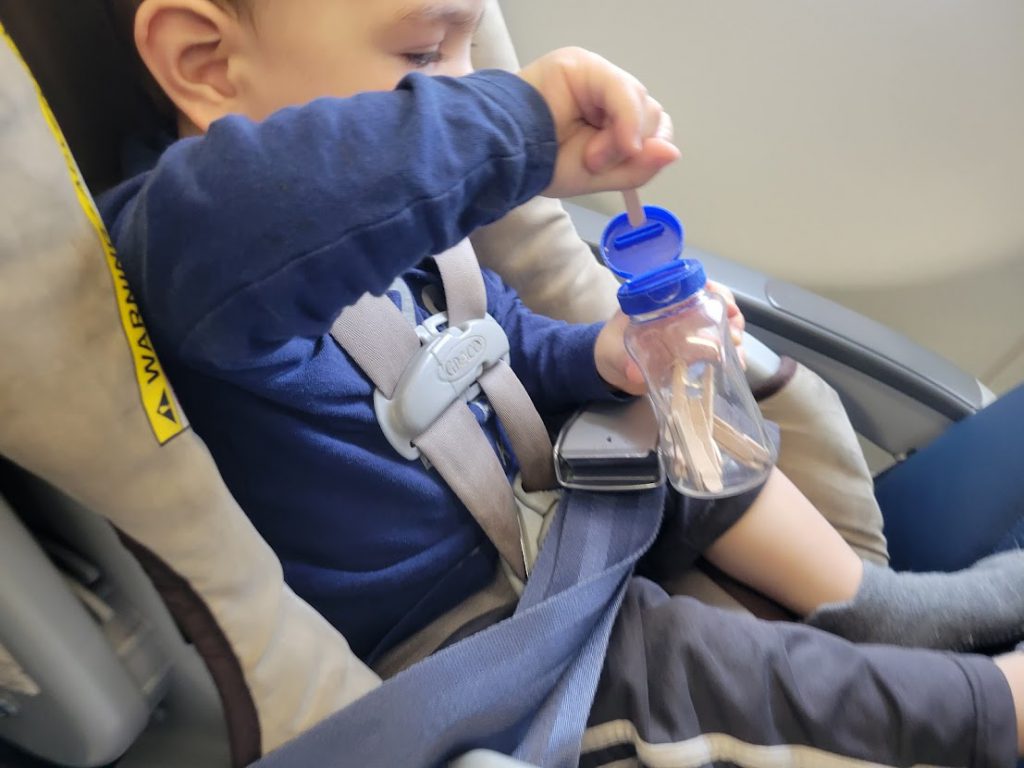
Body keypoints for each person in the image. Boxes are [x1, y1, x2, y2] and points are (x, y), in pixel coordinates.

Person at [99, 0, 1024, 763]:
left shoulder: (409, 240)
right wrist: (520, 123)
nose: (461, 87)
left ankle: (873, 609)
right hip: (468, 652)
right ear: (207, 61)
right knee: (671, 657)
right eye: (424, 53)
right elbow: (288, 203)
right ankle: (981, 710)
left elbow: (497, 338)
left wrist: (605, 357)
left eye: (469, 51)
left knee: (674, 416)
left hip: (555, 520)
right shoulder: (187, 250)